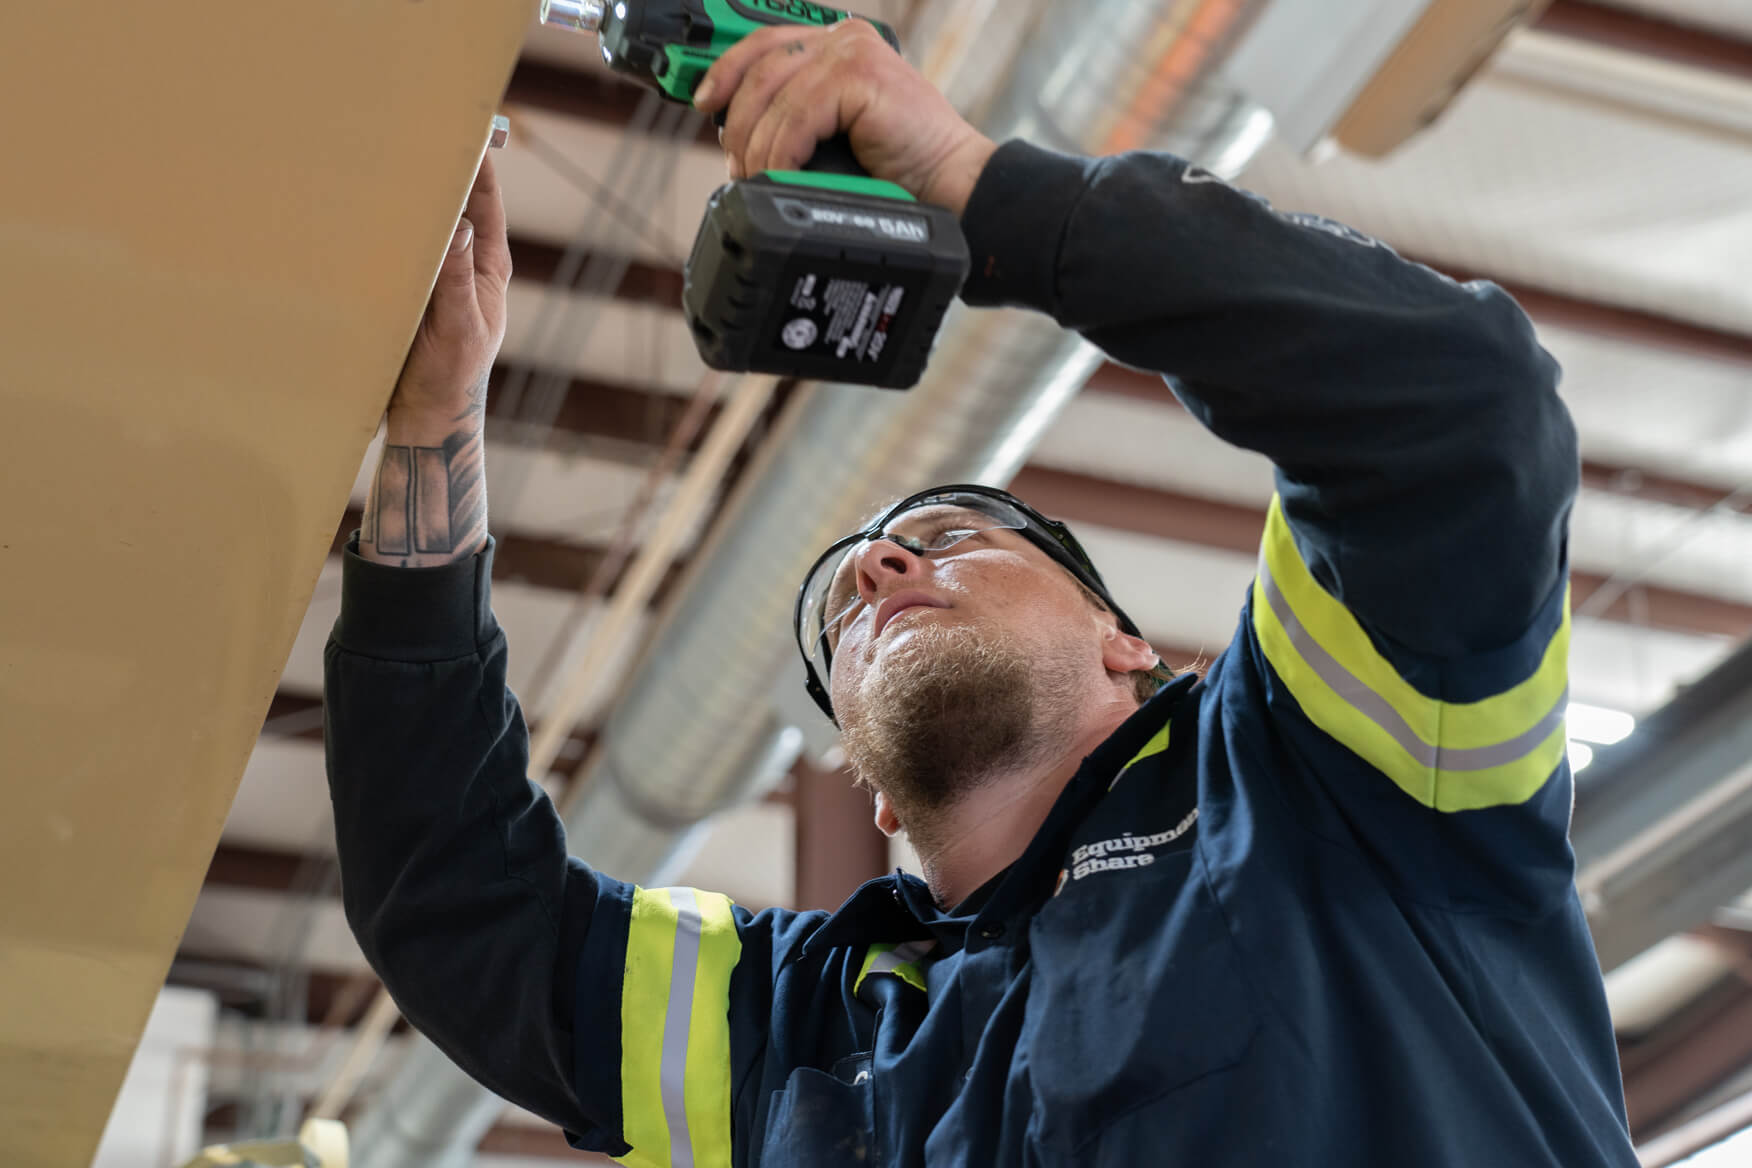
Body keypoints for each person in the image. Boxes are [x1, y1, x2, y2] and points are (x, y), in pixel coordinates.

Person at [325, 20, 1640, 1167]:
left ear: (1130, 645)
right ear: (875, 792)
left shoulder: (1325, 777)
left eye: (951, 535)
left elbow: (1462, 409)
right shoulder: (809, 1031)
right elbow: (469, 916)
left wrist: (981, 190)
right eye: (843, 612)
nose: (880, 567)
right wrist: (435, 429)